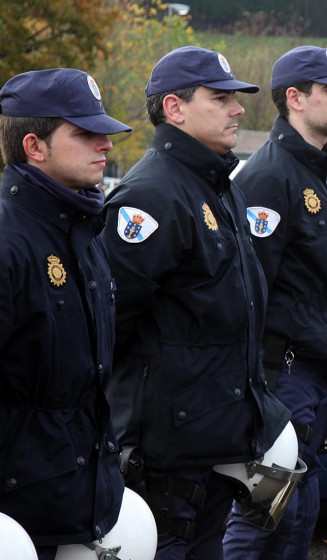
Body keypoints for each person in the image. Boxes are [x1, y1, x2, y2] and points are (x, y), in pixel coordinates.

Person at [100, 46, 291, 559]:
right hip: (167, 451)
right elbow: (108, 326)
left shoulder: (219, 187)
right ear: (174, 108)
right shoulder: (152, 196)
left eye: (235, 98)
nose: (238, 109)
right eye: (220, 98)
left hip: (216, 440)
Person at [222, 45, 327, 558]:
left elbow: (325, 283)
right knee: (266, 514)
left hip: (314, 373)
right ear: (296, 98)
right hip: (282, 375)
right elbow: (250, 289)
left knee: (299, 512)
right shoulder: (270, 176)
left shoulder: (319, 170)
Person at [0, 68, 132, 559]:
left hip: (76, 500)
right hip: (19, 517)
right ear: (35, 146)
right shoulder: (9, 242)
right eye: (84, 133)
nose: (106, 145)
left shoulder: (84, 232)